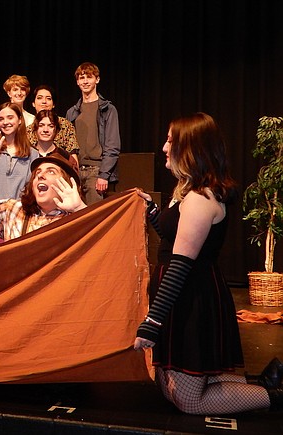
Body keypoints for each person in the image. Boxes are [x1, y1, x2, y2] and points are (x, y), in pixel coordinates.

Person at [134, 112, 283, 414]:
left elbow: (179, 266)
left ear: (191, 148)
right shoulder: (187, 190)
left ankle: (274, 395)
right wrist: (152, 213)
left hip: (192, 296)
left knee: (188, 400)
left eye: (171, 141)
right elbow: (173, 237)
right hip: (182, 294)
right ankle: (268, 382)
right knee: (167, 388)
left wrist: (152, 323)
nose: (164, 147)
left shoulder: (201, 198)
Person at [0, 130, 86, 241]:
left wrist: (79, 209)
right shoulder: (14, 211)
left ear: (68, 183)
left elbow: (102, 248)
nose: (40, 175)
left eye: (51, 171)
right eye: (38, 172)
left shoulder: (76, 220)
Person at [66, 62, 120, 205]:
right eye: (81, 78)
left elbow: (112, 145)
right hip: (75, 172)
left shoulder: (107, 109)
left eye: (89, 77)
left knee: (93, 218)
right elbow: (67, 144)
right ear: (77, 82)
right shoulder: (72, 112)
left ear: (97, 79)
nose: (85, 81)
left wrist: (104, 175)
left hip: (95, 171)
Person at [0, 102, 40, 200]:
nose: (5, 122)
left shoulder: (33, 154)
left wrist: (16, 209)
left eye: (10, 117)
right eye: (1, 119)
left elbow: (32, 188)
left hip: (22, 212)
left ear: (20, 120)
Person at [27, 85, 80, 166]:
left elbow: (72, 156)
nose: (44, 101)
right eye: (39, 98)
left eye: (48, 98)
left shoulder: (65, 125)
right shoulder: (28, 129)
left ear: (53, 104)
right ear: (33, 103)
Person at [31, 109, 80, 175]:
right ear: (35, 129)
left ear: (57, 130)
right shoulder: (27, 156)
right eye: (41, 125)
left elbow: (74, 181)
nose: (45, 130)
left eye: (50, 126)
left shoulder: (66, 158)